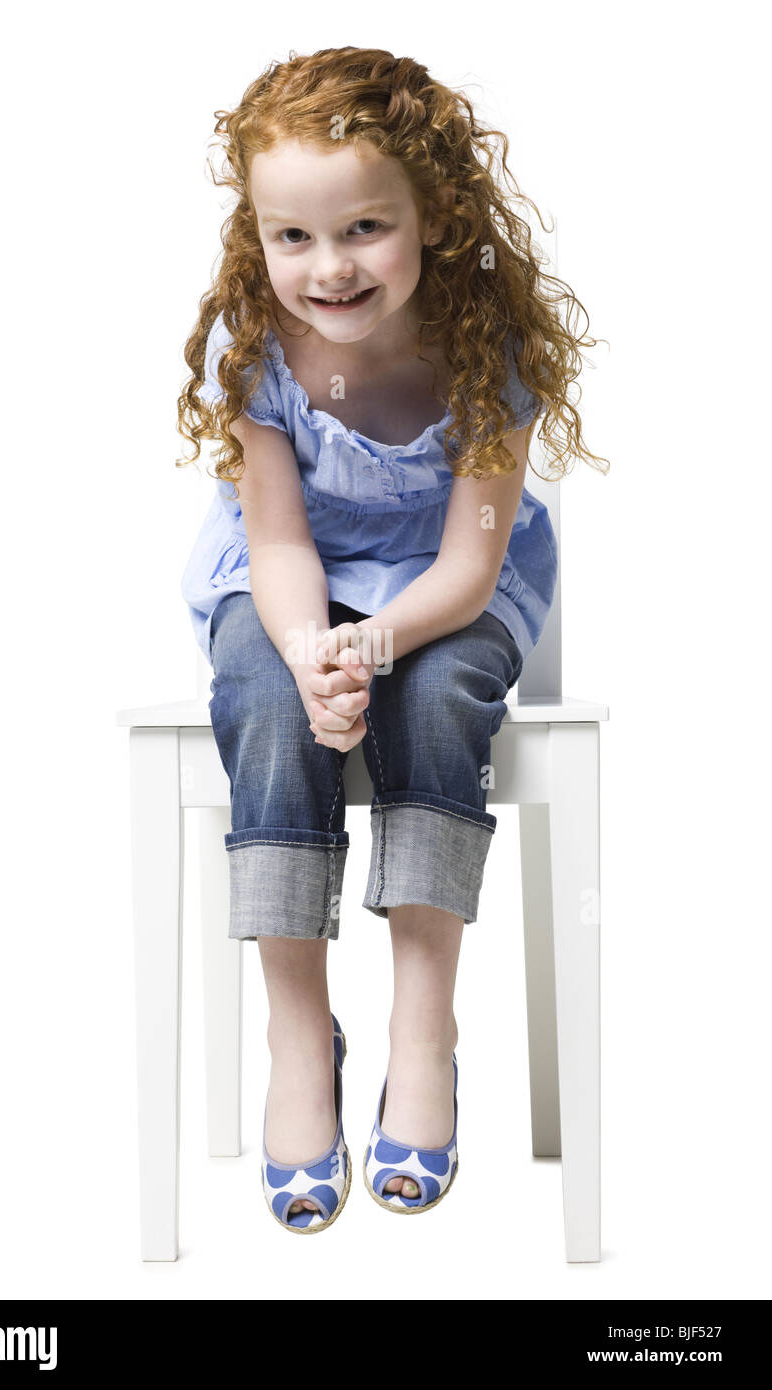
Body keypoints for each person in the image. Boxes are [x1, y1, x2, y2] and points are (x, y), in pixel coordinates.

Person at [175, 47, 607, 1231]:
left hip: (446, 589)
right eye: (292, 237)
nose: (328, 267)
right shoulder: (255, 346)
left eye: (364, 226)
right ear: (255, 235)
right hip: (289, 586)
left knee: (436, 695)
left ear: (437, 212)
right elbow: (275, 548)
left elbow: (468, 571)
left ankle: (425, 1021)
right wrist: (315, 650)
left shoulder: (486, 344)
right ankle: (294, 1028)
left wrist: (374, 651)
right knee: (262, 697)